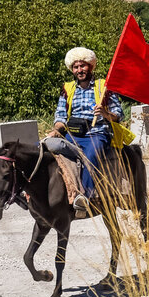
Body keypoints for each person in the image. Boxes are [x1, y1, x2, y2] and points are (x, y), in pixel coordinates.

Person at [47, 47, 124, 218]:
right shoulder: (67, 89)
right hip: (72, 135)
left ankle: (84, 197)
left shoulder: (104, 86)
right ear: (71, 70)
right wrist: (54, 131)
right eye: (75, 67)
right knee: (43, 148)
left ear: (90, 66)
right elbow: (60, 116)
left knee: (91, 155)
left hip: (97, 133)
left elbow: (118, 115)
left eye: (82, 66)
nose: (79, 70)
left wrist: (104, 113)